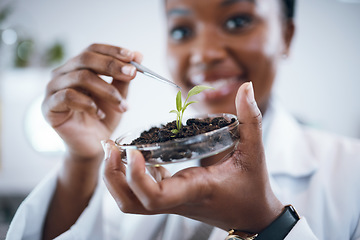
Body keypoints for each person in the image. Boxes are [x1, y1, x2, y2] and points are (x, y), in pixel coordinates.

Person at [6, 0, 360, 239]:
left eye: (237, 21)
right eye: (181, 31)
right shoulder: (143, 166)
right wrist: (82, 159)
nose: (203, 53)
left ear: (286, 35)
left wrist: (265, 223)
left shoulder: (350, 172)